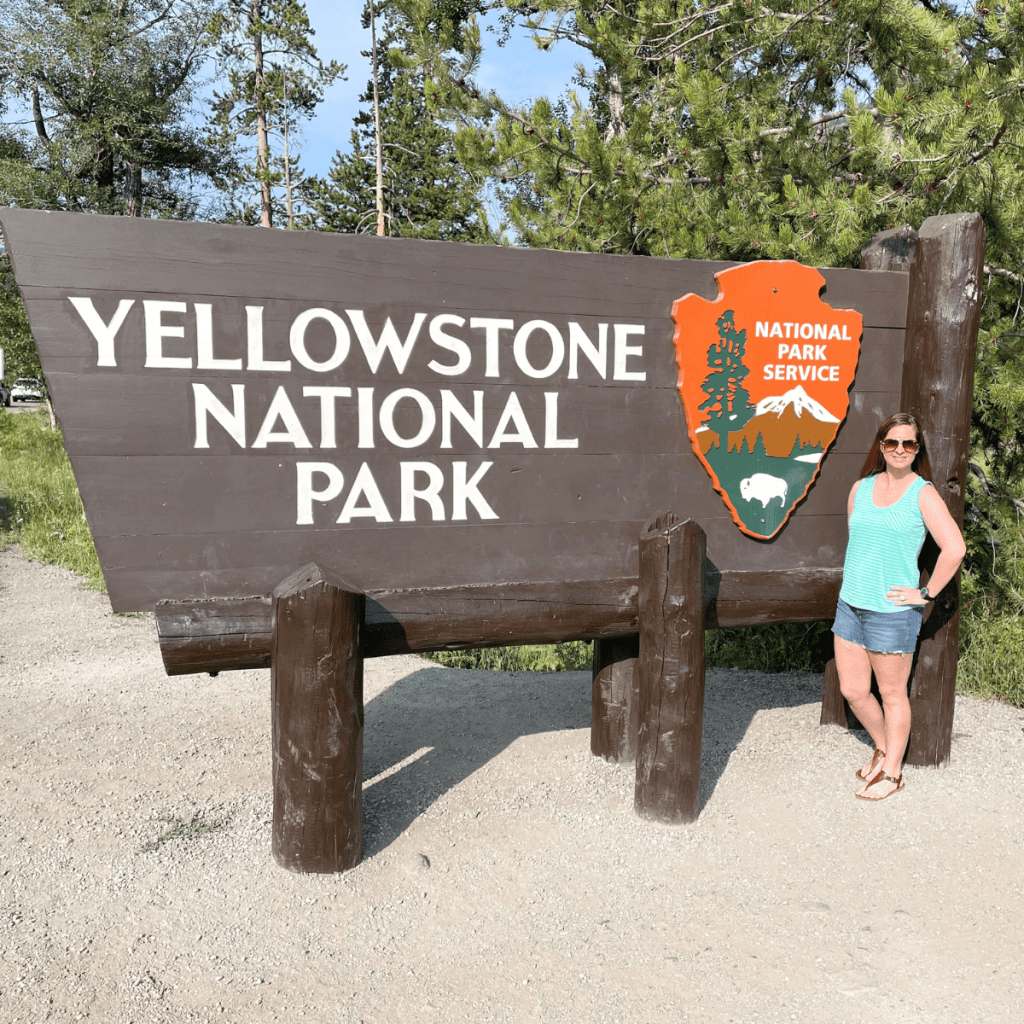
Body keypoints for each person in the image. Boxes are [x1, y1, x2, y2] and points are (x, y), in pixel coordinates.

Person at [833, 413, 967, 801]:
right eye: (892, 442)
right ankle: (882, 745)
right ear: (881, 446)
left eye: (909, 444)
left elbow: (954, 547)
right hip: (851, 605)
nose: (900, 450)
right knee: (854, 690)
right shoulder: (860, 488)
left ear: (917, 449)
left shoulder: (922, 493)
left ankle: (892, 772)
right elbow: (858, 543)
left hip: (891, 613)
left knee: (892, 694)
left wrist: (924, 594)